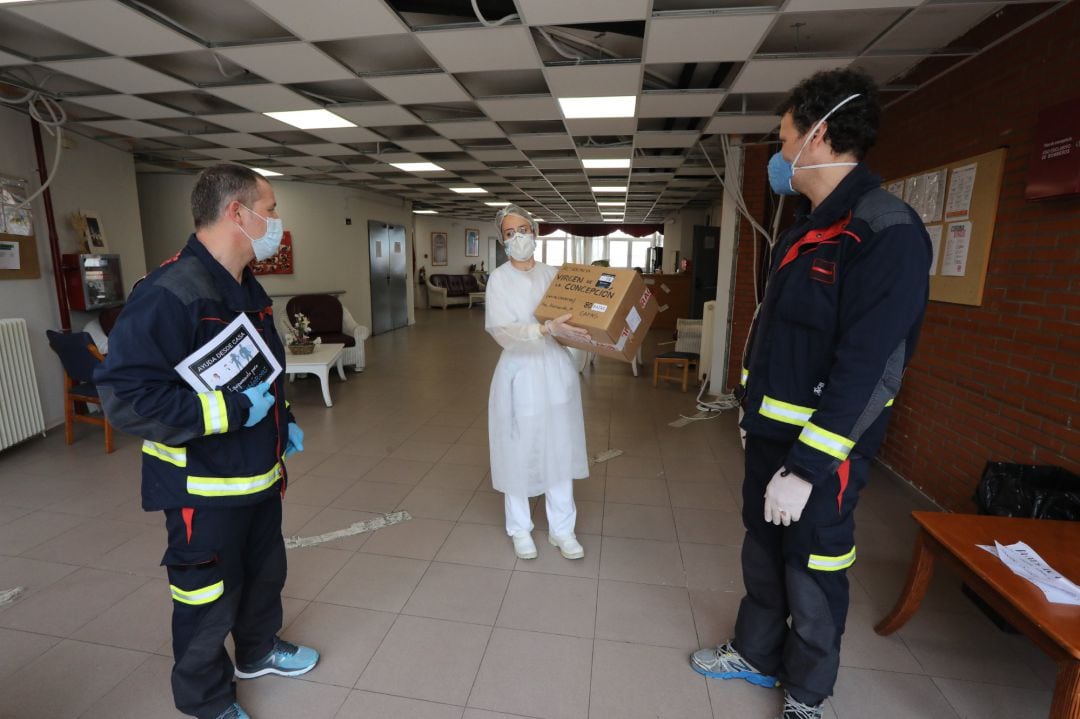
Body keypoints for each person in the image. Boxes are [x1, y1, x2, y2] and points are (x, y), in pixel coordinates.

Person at [689, 68, 932, 719]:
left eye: (783, 133)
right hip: (770, 434)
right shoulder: (805, 227)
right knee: (762, 552)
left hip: (823, 453)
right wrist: (751, 413)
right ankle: (757, 653)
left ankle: (806, 691)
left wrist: (805, 468)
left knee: (815, 566)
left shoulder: (885, 232)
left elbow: (870, 370)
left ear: (818, 135)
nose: (778, 150)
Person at [95, 164, 318, 719]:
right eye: (269, 209)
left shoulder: (243, 283)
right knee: (206, 600)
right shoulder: (169, 294)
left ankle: (259, 651)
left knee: (265, 573)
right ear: (236, 214)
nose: (276, 223)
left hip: (257, 474)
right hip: (202, 487)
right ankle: (207, 700)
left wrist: (280, 416)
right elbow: (126, 397)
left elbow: (259, 369)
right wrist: (235, 411)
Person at [485, 204, 591, 560]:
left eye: (523, 230)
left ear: (536, 233)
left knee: (559, 448)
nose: (518, 238)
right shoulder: (499, 279)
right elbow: (501, 330)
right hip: (520, 372)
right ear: (503, 242)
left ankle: (563, 529)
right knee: (519, 449)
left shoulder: (554, 275)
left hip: (555, 370)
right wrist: (542, 328)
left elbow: (575, 320)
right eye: (509, 234)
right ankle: (520, 529)